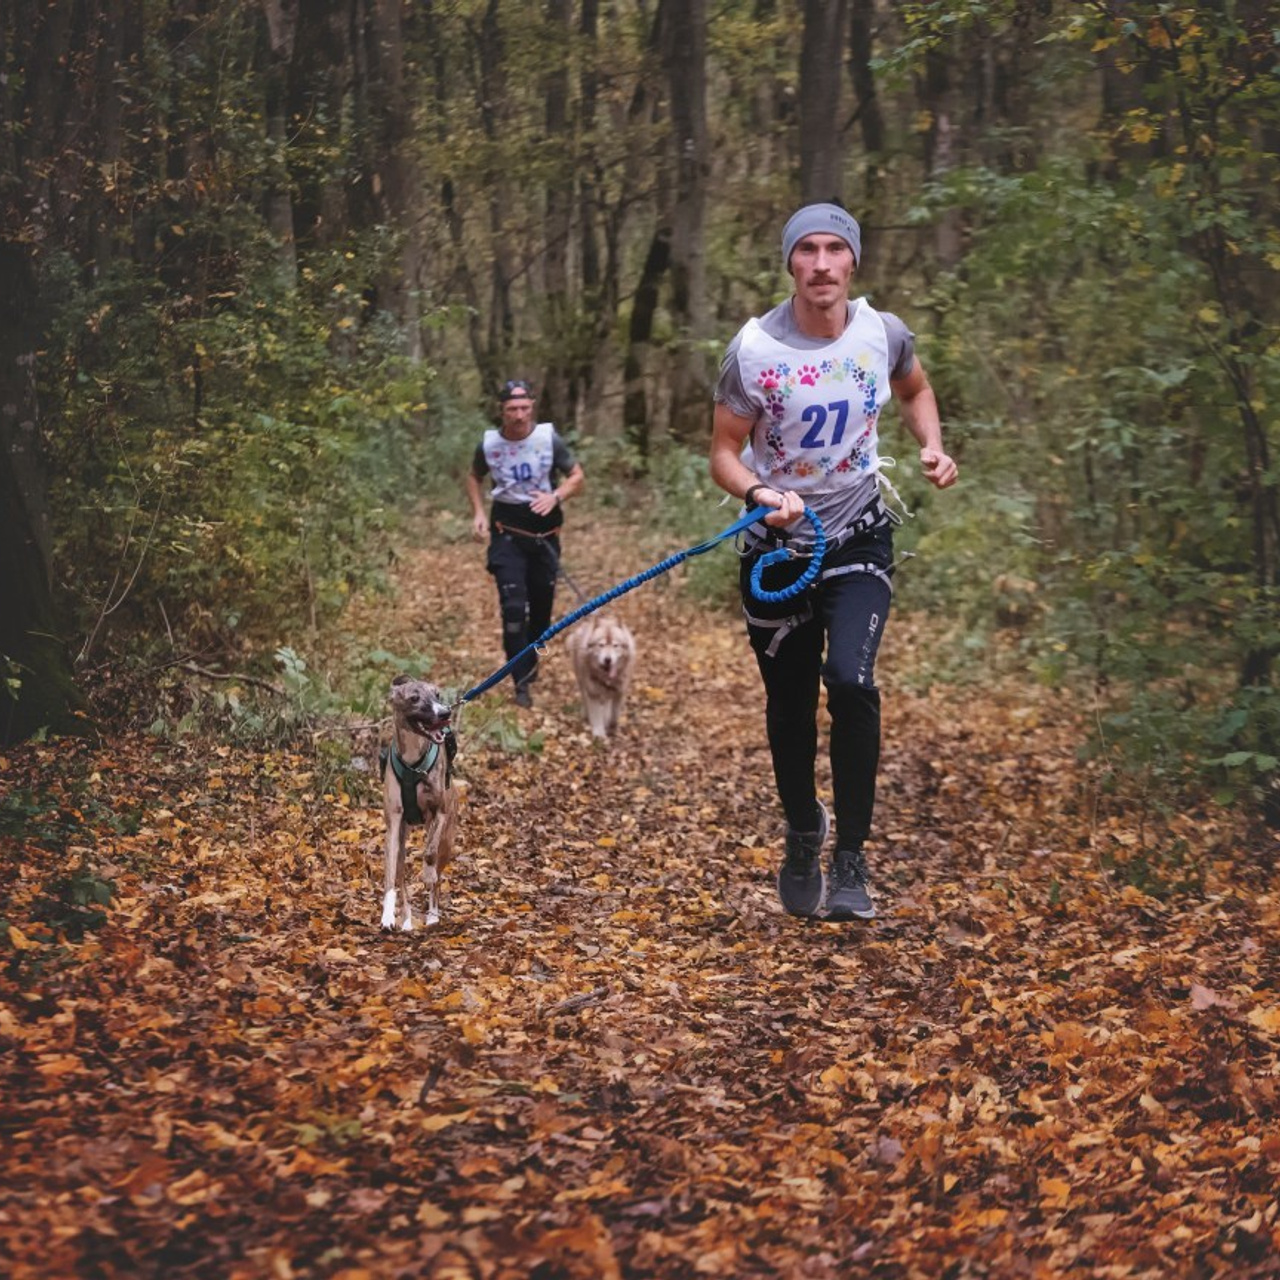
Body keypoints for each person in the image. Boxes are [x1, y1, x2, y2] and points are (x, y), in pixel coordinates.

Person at [710, 202, 958, 921]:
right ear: (790, 262)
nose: (821, 264)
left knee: (850, 682)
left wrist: (930, 445)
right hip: (777, 549)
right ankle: (801, 827)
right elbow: (723, 453)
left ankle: (851, 858)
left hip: (858, 535)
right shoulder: (753, 351)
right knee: (789, 707)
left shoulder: (883, 333)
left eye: (834, 250)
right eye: (807, 251)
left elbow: (915, 388)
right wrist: (761, 490)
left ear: (853, 261)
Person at [467, 379, 585, 708]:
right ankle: (520, 681)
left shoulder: (548, 439)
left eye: (524, 408)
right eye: (511, 410)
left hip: (545, 537)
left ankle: (530, 656)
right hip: (507, 535)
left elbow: (577, 476)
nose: (519, 416)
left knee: (541, 612)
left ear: (532, 407)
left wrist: (556, 495)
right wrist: (478, 512)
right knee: (514, 609)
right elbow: (474, 476)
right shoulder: (489, 444)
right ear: (501, 411)